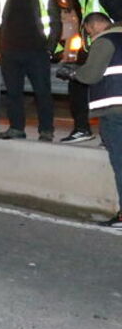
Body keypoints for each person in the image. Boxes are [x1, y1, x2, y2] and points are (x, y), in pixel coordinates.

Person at [57, 13, 122, 226]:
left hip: (115, 112)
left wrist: (73, 73)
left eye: (88, 32)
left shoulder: (105, 41)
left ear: (93, 27)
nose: (89, 36)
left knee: (120, 163)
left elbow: (92, 75)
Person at [0, 0, 62, 141]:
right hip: (10, 54)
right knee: (13, 93)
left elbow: (56, 23)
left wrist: (49, 48)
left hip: (37, 53)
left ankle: (46, 130)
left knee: (42, 93)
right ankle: (16, 128)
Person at [62, 0, 122, 144]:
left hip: (107, 48)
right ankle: (87, 129)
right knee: (82, 85)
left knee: (98, 88)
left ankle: (90, 130)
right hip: (92, 47)